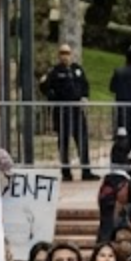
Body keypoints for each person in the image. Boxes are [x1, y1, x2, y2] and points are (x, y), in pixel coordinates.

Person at [40, 45, 94, 181]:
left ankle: (86, 171)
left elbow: (85, 85)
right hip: (62, 112)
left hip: (77, 111)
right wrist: (51, 96)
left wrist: (85, 96)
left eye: (67, 53)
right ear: (59, 55)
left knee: (82, 141)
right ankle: (66, 172)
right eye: (62, 53)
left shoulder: (77, 69)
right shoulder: (54, 71)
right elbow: (46, 88)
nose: (65, 56)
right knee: (64, 142)